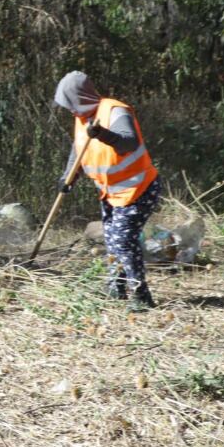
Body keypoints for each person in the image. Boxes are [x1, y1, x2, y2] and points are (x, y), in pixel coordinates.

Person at [54, 70, 161, 310]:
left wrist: (103, 134)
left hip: (139, 189)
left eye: (71, 103)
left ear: (81, 97)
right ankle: (117, 286)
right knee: (112, 240)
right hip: (112, 192)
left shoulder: (114, 111)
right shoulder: (82, 118)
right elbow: (78, 150)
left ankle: (140, 294)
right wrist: (68, 177)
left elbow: (128, 141)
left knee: (123, 240)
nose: (70, 109)